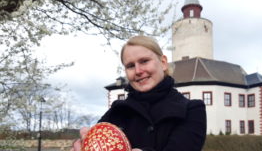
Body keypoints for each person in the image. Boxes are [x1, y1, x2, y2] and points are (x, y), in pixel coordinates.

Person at [71, 35, 206, 151]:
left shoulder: (191, 110)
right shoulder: (117, 110)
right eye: (130, 66)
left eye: (144, 61)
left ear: (163, 63)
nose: (138, 71)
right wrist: (82, 143)